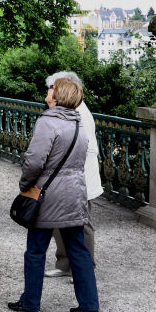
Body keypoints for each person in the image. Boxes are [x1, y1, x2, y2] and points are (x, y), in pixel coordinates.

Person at [8, 77, 100, 312]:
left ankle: (31, 301)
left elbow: (35, 161)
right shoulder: (79, 124)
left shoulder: (48, 122)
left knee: (36, 249)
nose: (48, 91)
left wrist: (25, 185)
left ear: (57, 95)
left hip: (48, 194)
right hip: (74, 191)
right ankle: (90, 305)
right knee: (78, 250)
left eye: (51, 88)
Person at [44, 71, 103, 278]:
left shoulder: (80, 112)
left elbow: (86, 149)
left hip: (79, 178)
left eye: (53, 88)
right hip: (66, 178)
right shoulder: (67, 109)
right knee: (57, 221)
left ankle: (85, 267)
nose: (49, 93)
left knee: (81, 223)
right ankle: (65, 264)